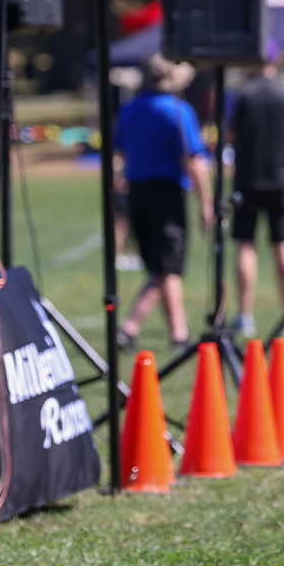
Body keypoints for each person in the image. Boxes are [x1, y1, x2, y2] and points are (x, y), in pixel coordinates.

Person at [115, 55, 212, 350]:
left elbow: (120, 154)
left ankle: (178, 333)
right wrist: (206, 204)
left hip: (137, 192)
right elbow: (193, 160)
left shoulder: (130, 109)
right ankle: (130, 327)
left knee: (162, 266)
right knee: (167, 264)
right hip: (166, 193)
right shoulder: (178, 110)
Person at [228, 52, 284, 339]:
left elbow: (229, 134)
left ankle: (244, 316)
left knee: (245, 245)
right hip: (282, 178)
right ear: (274, 62)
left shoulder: (240, 94)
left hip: (248, 178)